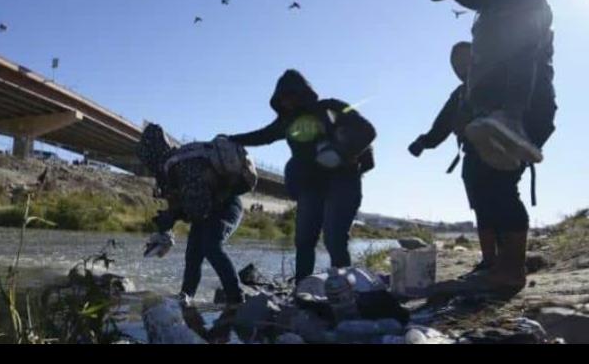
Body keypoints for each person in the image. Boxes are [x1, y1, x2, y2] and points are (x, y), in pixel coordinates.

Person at [429, 0, 556, 294]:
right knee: (481, 181)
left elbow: (524, 54)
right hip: (492, 112)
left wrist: (512, 113)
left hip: (523, 108)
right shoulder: (491, 9)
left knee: (498, 184)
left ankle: (510, 271)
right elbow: (480, 75)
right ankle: (495, 265)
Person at [227, 70, 376, 283]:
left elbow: (368, 130)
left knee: (334, 239)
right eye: (282, 99)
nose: (286, 103)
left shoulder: (330, 107)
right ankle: (302, 290)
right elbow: (262, 136)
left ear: (302, 94)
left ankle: (345, 290)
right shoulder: (286, 123)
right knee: (304, 241)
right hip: (311, 187)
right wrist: (230, 139)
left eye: (290, 96)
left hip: (343, 181)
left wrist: (342, 154)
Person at [137, 123, 245, 307]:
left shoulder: (183, 164)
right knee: (193, 254)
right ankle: (186, 296)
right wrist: (166, 227)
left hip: (226, 206)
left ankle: (236, 299)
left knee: (211, 247)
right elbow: (181, 205)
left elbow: (198, 208)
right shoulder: (167, 170)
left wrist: (174, 216)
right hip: (209, 209)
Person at [409, 42, 491, 277]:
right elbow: (442, 125)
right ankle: (489, 260)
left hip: (500, 151)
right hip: (472, 154)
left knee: (501, 201)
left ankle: (508, 262)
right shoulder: (459, 94)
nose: (460, 67)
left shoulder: (497, 80)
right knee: (481, 206)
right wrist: (423, 142)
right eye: (455, 64)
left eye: (465, 60)